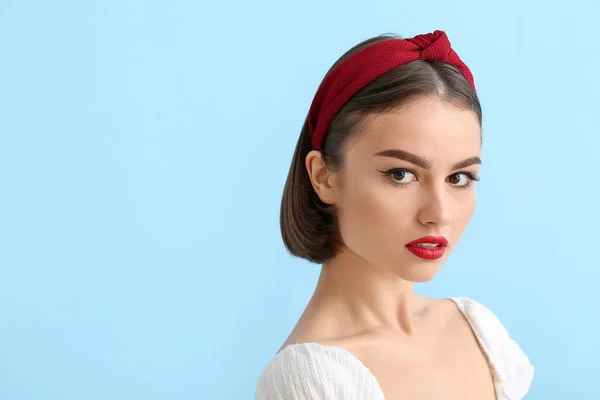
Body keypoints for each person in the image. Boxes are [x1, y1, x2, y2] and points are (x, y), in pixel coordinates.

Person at [256, 30, 534, 400]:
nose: (439, 213)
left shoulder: (480, 332)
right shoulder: (311, 379)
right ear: (323, 176)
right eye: (401, 174)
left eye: (459, 177)